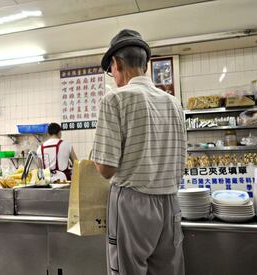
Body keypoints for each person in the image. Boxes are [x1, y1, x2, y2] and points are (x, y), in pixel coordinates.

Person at [93, 29, 187, 275]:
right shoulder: (173, 103)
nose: (112, 76)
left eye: (111, 69)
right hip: (169, 201)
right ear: (145, 64)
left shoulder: (115, 99)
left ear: (117, 63)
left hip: (133, 203)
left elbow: (106, 169)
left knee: (127, 270)